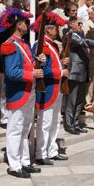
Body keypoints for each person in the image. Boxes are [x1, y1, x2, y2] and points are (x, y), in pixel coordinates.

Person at [0, 8, 43, 178]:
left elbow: (27, 64)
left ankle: (25, 161)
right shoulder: (9, 44)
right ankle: (14, 165)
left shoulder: (23, 44)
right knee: (15, 129)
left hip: (28, 91)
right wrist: (32, 74)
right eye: (24, 21)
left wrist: (38, 62)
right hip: (18, 93)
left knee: (26, 129)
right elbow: (11, 72)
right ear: (17, 24)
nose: (27, 24)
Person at [30, 12, 69, 165]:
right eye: (56, 28)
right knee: (45, 122)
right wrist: (61, 72)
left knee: (54, 122)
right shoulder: (41, 45)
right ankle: (40, 153)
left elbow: (50, 64)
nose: (58, 31)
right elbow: (43, 70)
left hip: (56, 87)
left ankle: (51, 150)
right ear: (48, 30)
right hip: (47, 88)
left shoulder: (51, 45)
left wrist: (61, 61)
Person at [64, 16, 94, 134]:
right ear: (71, 24)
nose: (80, 26)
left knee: (79, 101)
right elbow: (85, 42)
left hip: (83, 72)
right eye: (79, 23)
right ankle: (69, 125)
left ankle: (76, 123)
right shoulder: (71, 35)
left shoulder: (80, 35)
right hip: (74, 72)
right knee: (72, 101)